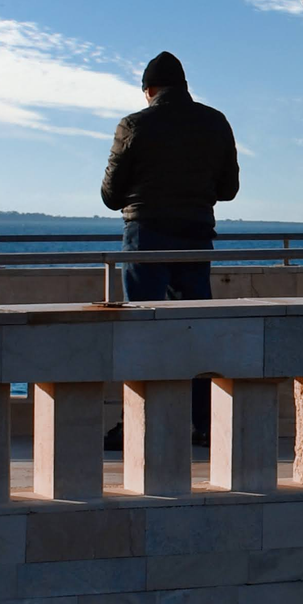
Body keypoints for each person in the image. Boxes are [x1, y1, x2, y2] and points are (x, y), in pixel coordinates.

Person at [100, 52, 239, 442]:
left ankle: (138, 424)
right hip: (196, 236)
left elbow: (110, 195)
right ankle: (204, 424)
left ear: (149, 90)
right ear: (184, 87)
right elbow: (228, 189)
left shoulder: (133, 125)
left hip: (145, 236)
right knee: (196, 328)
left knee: (142, 329)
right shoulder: (215, 122)